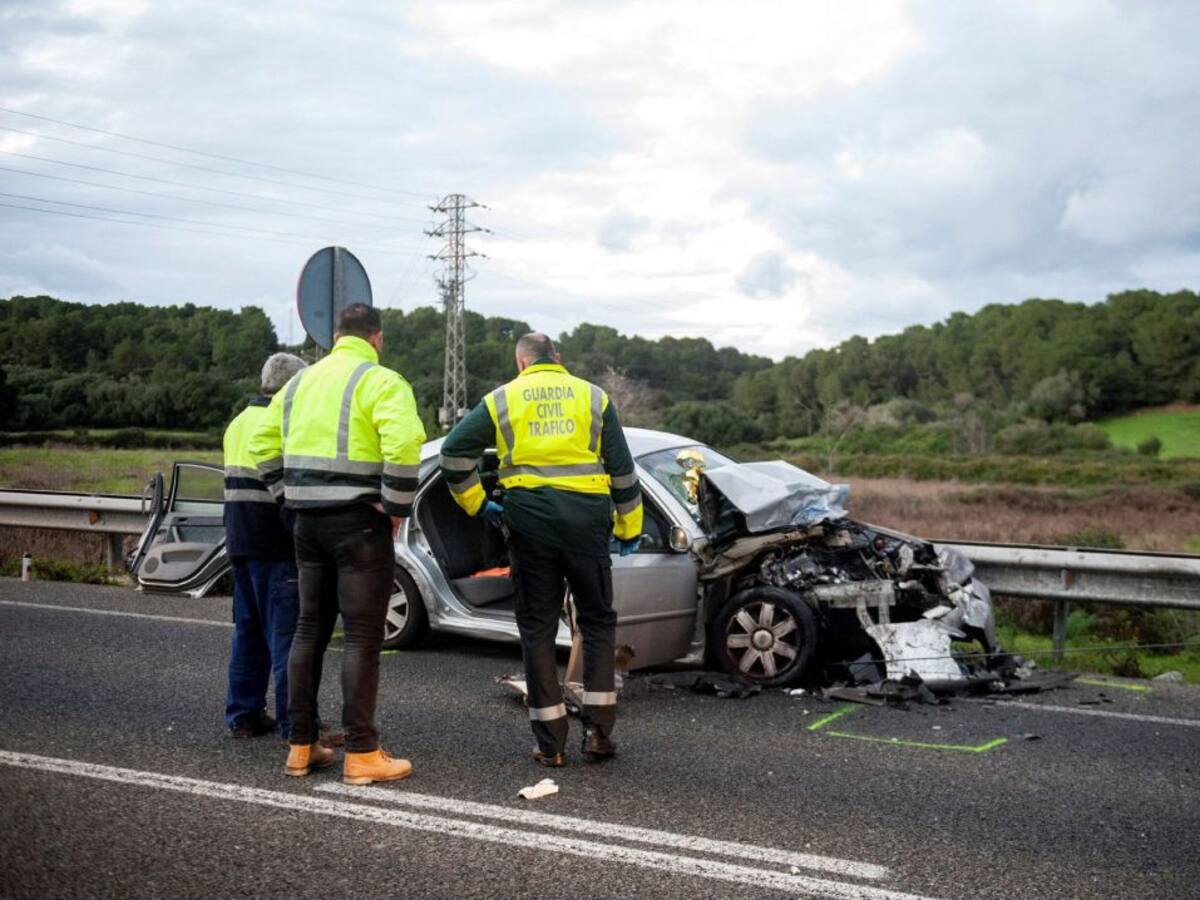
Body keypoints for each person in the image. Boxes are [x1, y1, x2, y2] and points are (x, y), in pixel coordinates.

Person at [439, 332, 642, 766]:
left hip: (529, 525)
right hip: (587, 526)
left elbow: (453, 453)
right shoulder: (593, 397)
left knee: (537, 629)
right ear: (558, 358)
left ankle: (551, 746)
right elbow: (623, 471)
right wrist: (629, 527)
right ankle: (598, 734)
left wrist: (478, 503)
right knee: (596, 623)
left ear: (521, 363)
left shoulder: (502, 399)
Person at [250, 304, 425, 784]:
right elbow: (404, 444)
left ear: (335, 337)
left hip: (307, 523)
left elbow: (260, 443)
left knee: (309, 630)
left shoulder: (299, 383)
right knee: (363, 638)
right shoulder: (382, 381)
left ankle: (301, 746)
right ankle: (362, 753)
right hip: (359, 523)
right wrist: (395, 507)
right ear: (377, 338)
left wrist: (288, 497)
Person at [223, 352, 338, 741]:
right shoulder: (284, 422)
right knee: (289, 641)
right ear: (294, 387)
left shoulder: (238, 422)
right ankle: (299, 727)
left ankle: (244, 716)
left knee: (248, 633)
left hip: (240, 542)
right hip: (277, 544)